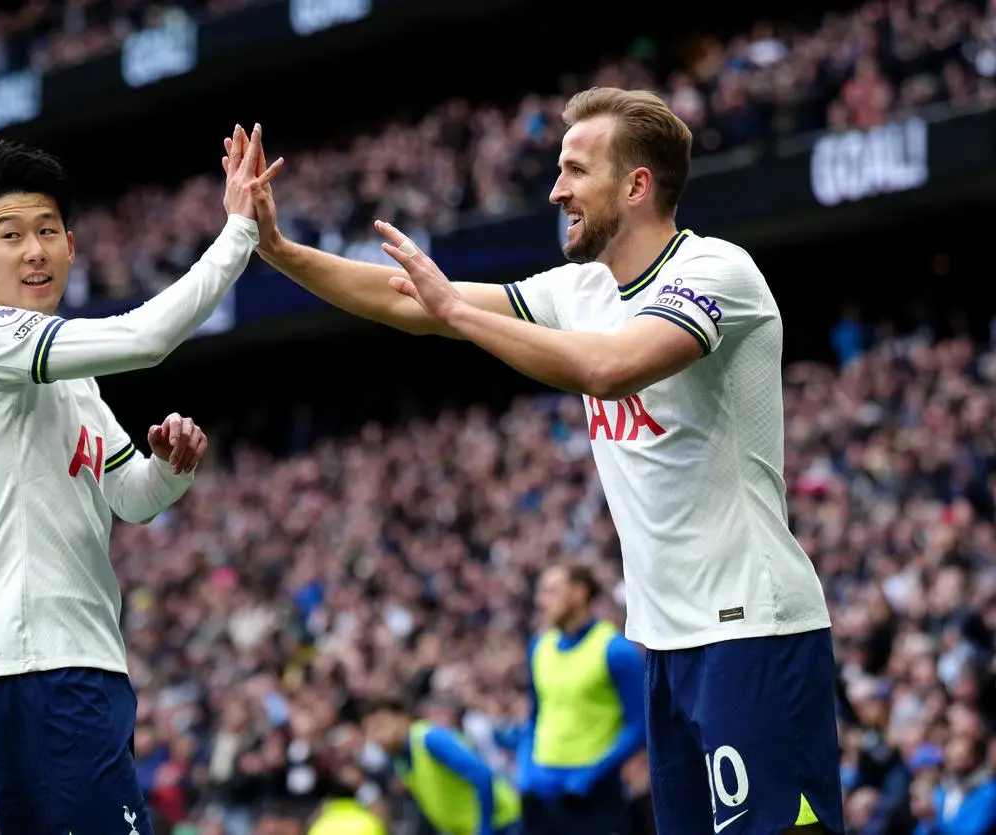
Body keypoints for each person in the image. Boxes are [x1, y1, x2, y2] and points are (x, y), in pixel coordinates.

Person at [241, 89, 843, 834]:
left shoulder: (718, 271)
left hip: (752, 627)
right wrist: (279, 251)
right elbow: (409, 301)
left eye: (575, 170)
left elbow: (612, 368)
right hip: (663, 639)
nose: (555, 189)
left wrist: (457, 312)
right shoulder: (582, 289)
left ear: (636, 185)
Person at [0, 125, 281, 834]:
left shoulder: (74, 378)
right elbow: (144, 339)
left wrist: (171, 468)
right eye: (10, 234)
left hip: (76, 663)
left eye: (47, 230)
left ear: (70, 245)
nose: (33, 250)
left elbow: (132, 495)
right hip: (41, 665)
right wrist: (239, 231)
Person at [519, 564, 645, 835]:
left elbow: (641, 726)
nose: (541, 601)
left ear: (578, 593)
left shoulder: (616, 650)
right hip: (543, 798)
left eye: (551, 591)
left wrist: (592, 774)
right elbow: (534, 716)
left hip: (593, 800)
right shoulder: (539, 647)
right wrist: (525, 774)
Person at [363, 698, 522, 835]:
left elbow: (481, 775)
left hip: (502, 823)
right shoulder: (400, 760)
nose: (377, 736)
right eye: (370, 731)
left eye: (380, 726)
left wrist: (485, 829)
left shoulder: (430, 739)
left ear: (402, 717)